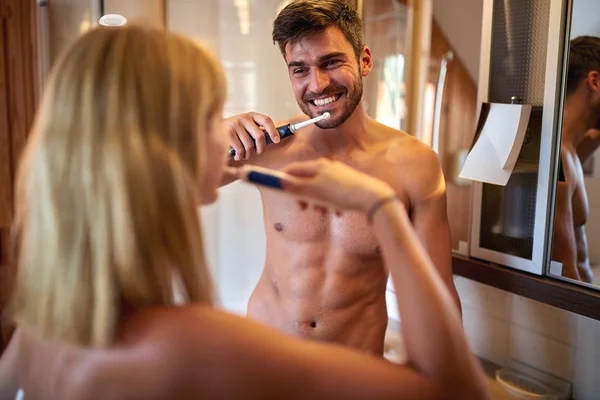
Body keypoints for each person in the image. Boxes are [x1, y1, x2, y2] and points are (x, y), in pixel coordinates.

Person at [0, 25, 488, 400]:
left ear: (364, 61)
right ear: (163, 150)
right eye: (207, 117)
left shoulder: (37, 330)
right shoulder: (193, 345)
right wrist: (381, 210)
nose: (225, 133)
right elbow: (454, 392)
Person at [224, 0, 461, 356]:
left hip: (353, 374)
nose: (317, 84)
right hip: (264, 362)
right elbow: (164, 184)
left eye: (331, 62)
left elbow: (437, 294)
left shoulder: (415, 165)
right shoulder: (269, 148)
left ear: (365, 61)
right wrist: (215, 132)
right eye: (299, 69)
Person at [553, 36, 600, 283]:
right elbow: (566, 276)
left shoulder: (571, 149)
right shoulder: (558, 160)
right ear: (595, 82)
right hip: (573, 317)